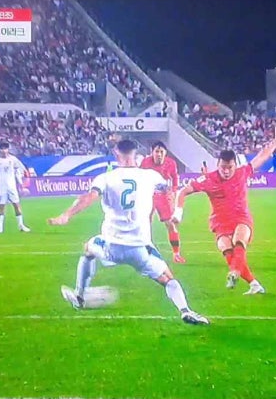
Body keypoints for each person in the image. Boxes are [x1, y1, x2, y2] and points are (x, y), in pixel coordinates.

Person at [48, 139, 209, 325]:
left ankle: (79, 296)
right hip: (140, 249)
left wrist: (66, 215)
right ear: (136, 155)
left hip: (111, 246)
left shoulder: (105, 178)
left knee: (88, 249)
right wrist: (175, 204)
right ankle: (185, 310)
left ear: (116, 155)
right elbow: (169, 189)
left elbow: (88, 197)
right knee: (167, 278)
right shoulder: (151, 176)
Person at [173, 122, 276, 294]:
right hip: (220, 222)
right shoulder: (207, 179)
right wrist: (178, 213)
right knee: (227, 249)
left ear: (235, 165)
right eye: (223, 167)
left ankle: (234, 273)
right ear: (218, 165)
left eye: (229, 167)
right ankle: (254, 284)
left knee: (239, 241)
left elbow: (262, 156)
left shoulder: (242, 172)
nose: (226, 171)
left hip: (241, 217)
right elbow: (182, 191)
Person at [140, 141, 186, 263]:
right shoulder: (145, 162)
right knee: (145, 222)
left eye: (161, 152)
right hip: (148, 194)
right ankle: (145, 249)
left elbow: (175, 178)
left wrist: (174, 191)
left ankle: (176, 253)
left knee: (170, 223)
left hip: (164, 195)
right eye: (157, 151)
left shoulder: (171, 163)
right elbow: (139, 177)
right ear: (152, 152)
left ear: (165, 153)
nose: (159, 154)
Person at [0, 142, 31, 233]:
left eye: (6, 148)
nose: (4, 151)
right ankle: (0, 228)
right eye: (2, 149)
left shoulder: (13, 159)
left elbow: (17, 171)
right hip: (1, 187)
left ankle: (21, 225)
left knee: (17, 206)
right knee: (1, 207)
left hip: (11, 187)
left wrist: (20, 183)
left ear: (8, 149)